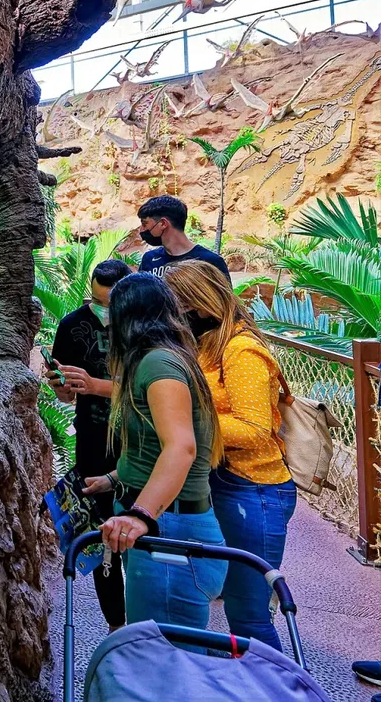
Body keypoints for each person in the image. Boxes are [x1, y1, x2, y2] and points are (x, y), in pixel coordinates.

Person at [83, 272, 227, 630]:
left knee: (167, 658)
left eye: (108, 309)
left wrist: (141, 515)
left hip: (168, 528)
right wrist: (115, 479)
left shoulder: (159, 364)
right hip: (161, 523)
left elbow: (180, 447)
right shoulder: (154, 359)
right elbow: (154, 444)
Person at [166, 261, 298, 650]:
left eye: (178, 306)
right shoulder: (208, 345)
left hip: (254, 490)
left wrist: (183, 424)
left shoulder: (241, 351)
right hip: (225, 484)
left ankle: (278, 687)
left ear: (199, 305)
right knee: (234, 605)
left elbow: (256, 430)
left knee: (249, 612)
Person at [48, 258, 132, 630]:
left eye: (109, 302)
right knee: (103, 538)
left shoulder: (145, 327)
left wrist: (97, 386)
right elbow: (65, 395)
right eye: (95, 300)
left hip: (138, 446)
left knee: (143, 531)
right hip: (94, 444)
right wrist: (61, 386)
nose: (102, 310)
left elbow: (152, 392)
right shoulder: (72, 325)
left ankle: (148, 622)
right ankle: (115, 624)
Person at [135, 195, 230, 281]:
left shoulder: (211, 261)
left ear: (163, 223)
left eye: (144, 223)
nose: (142, 230)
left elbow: (226, 299)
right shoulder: (149, 259)